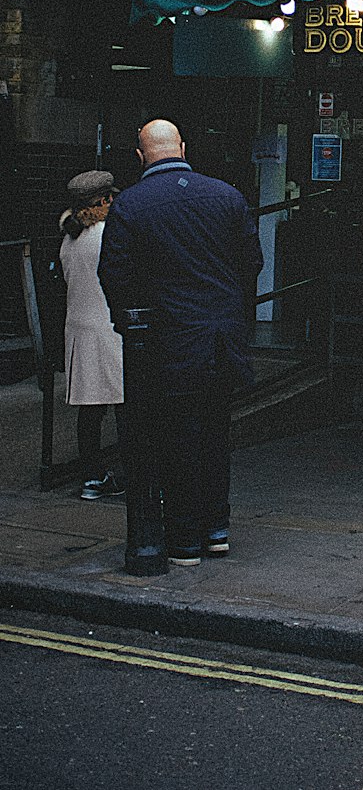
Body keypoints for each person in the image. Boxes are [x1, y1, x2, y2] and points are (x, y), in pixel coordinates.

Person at [98, 119, 263, 567]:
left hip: (168, 347)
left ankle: (186, 539)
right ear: (182, 147)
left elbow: (113, 275)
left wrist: (132, 323)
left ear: (140, 155)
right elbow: (252, 263)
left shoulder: (131, 205)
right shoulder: (227, 196)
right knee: (214, 435)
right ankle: (216, 529)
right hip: (221, 342)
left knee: (174, 439)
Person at [59, 170, 126, 501]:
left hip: (79, 329)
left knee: (90, 412)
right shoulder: (109, 234)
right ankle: (132, 475)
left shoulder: (71, 237)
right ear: (104, 201)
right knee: (126, 407)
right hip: (109, 330)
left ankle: (91, 479)